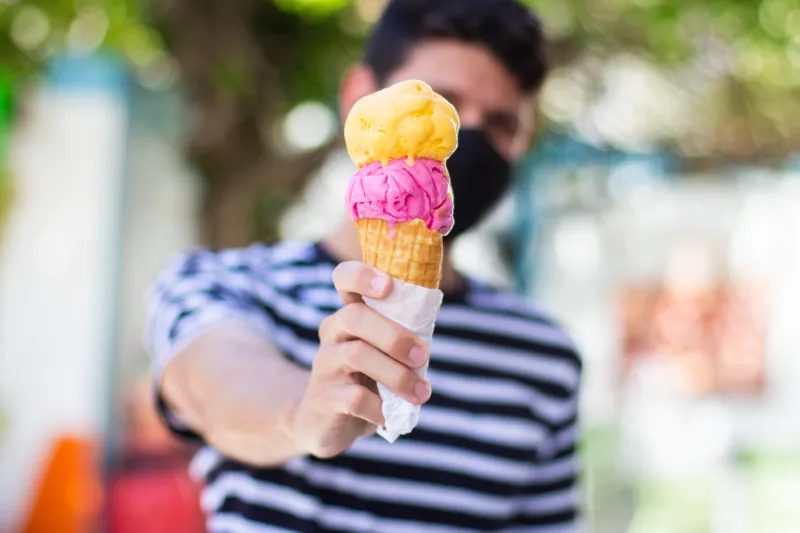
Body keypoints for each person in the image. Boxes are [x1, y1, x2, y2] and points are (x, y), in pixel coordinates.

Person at [146, 0, 583, 531]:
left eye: (501, 123)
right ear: (359, 101)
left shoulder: (543, 357)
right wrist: (302, 415)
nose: (464, 138)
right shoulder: (224, 284)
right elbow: (220, 387)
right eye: (440, 104)